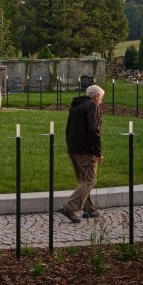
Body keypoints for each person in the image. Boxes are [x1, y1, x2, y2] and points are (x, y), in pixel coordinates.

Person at [59, 83, 105, 223]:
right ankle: (69, 207)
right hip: (86, 150)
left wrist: (69, 149)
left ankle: (89, 210)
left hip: (74, 148)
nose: (101, 101)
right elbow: (94, 130)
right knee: (90, 180)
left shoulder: (75, 106)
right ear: (96, 96)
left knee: (83, 181)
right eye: (101, 98)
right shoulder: (92, 105)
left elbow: (68, 129)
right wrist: (98, 152)